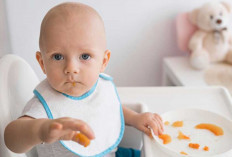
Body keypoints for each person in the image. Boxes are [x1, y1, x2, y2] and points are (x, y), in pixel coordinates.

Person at [4, 2, 164, 157]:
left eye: (85, 56)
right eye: (58, 56)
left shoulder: (100, 86)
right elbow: (11, 138)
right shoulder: (44, 105)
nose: (71, 68)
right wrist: (41, 130)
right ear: (42, 63)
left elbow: (109, 108)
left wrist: (135, 118)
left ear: (103, 61)